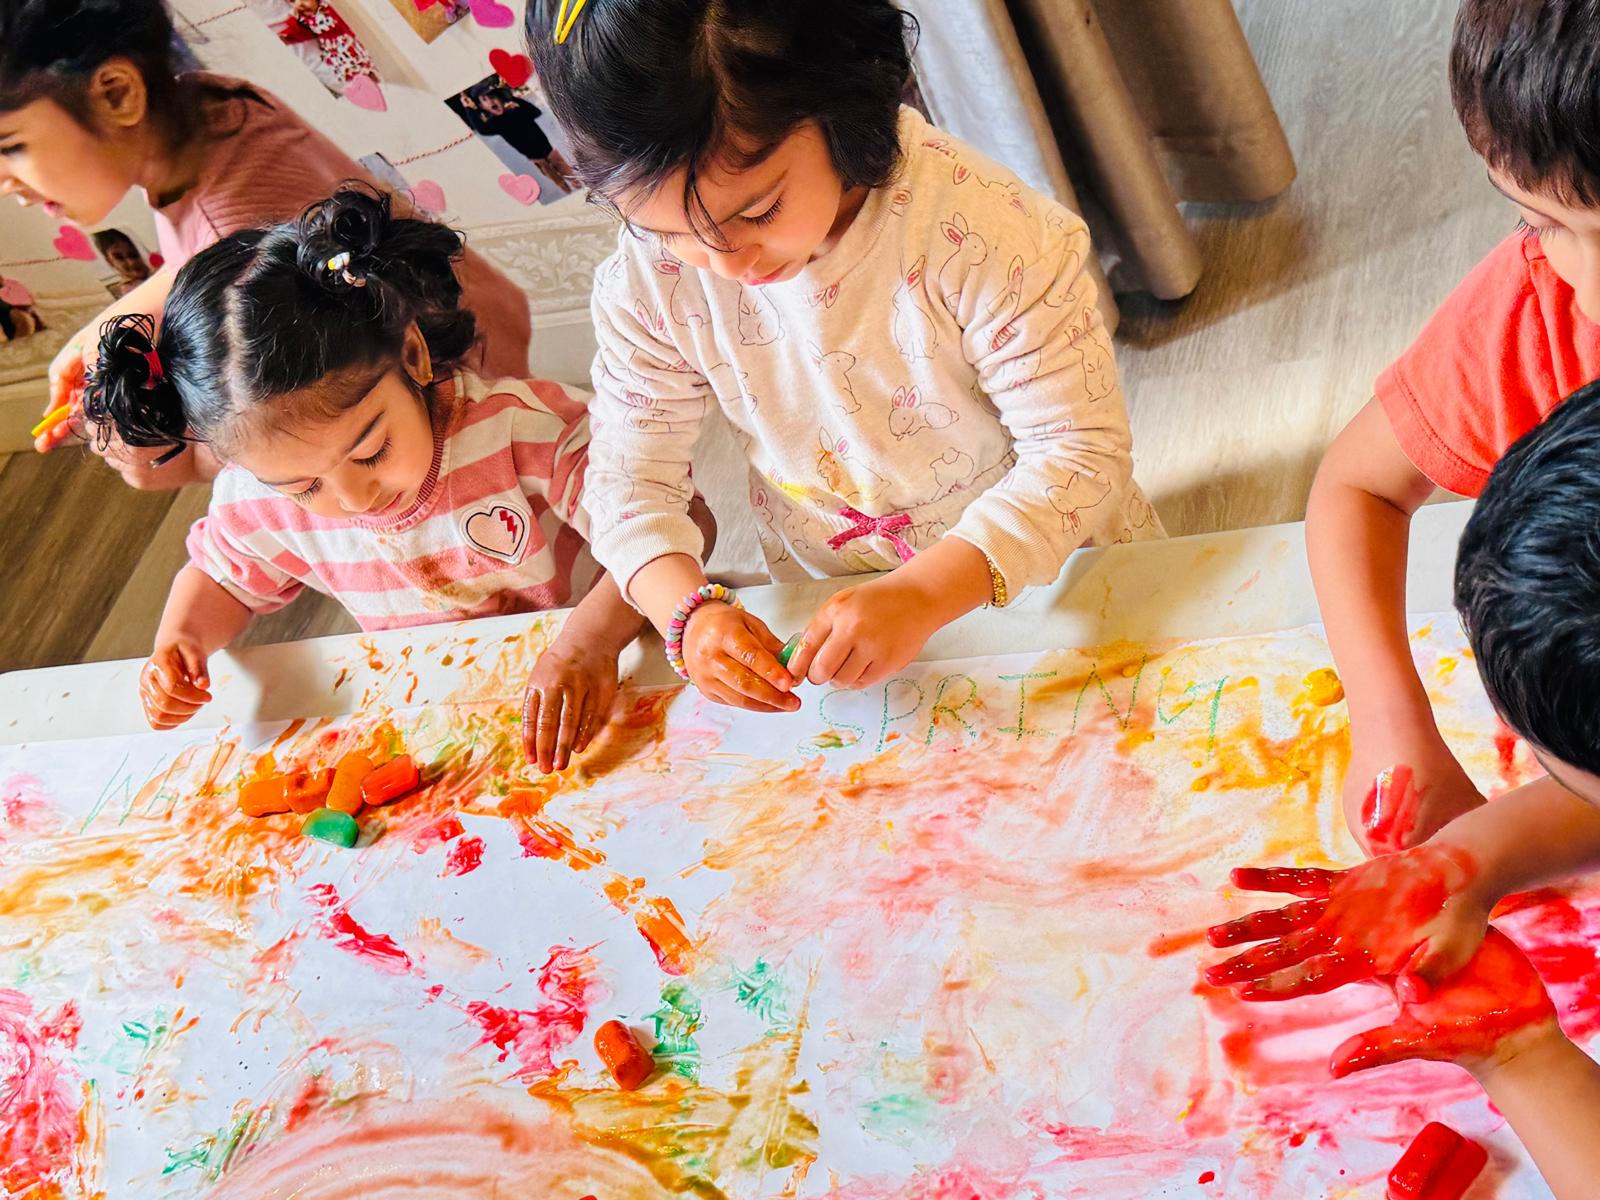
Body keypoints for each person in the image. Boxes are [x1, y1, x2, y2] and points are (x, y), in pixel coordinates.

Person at [525, 0, 1158, 713]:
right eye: (668, 231)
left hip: (1043, 575)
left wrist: (925, 594)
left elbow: (1079, 456)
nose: (725, 263)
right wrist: (687, 616)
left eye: (757, 211)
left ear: (841, 105)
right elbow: (629, 485)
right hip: (835, 601)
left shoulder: (984, 232)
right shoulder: (650, 281)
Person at [82, 188, 692, 774]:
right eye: (303, 487)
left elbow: (673, 520)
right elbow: (223, 579)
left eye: (371, 451)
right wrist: (181, 642)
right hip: (460, 711)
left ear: (412, 356)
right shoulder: (259, 496)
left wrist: (590, 640)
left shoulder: (522, 430)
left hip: (619, 660)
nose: (354, 498)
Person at [0, 0, 530, 487]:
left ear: (117, 93)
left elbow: (259, 440)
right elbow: (222, 241)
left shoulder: (236, 246)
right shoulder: (216, 106)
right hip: (468, 313)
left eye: (11, 147)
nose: (5, 183)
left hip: (439, 414)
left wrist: (140, 455)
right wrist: (115, 319)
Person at [1306, 0, 1600, 852]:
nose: (1590, 292)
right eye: (1542, 221)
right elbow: (1359, 487)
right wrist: (1392, 726)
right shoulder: (1543, 313)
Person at [92, 228, 152, 298]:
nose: (131, 263)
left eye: (133, 255)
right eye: (119, 258)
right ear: (110, 262)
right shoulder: (130, 291)